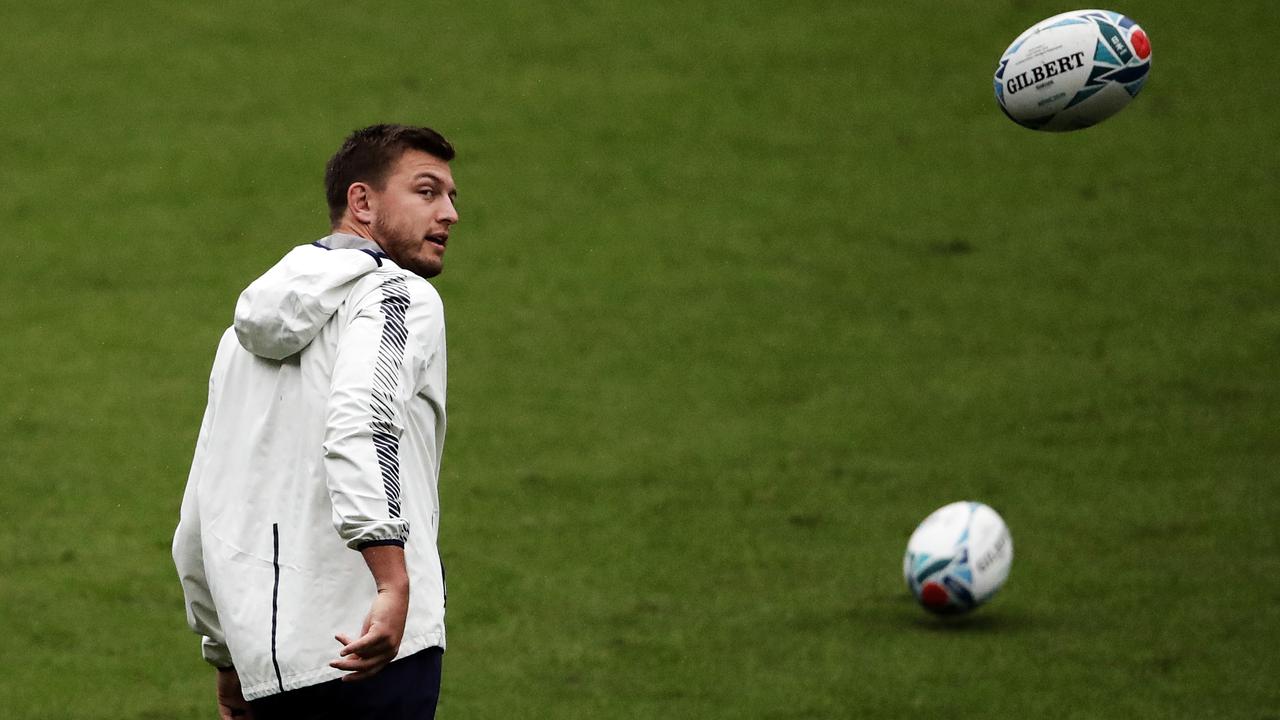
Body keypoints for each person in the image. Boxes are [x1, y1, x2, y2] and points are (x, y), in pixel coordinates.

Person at [173, 124, 460, 720]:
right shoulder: (394, 295)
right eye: (428, 192)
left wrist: (226, 656)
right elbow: (364, 421)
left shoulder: (237, 340)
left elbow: (201, 511)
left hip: (268, 669)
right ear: (362, 202)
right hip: (373, 646)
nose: (450, 213)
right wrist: (391, 582)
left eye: (451, 197)